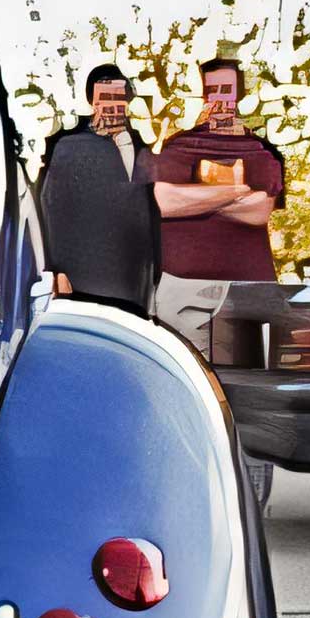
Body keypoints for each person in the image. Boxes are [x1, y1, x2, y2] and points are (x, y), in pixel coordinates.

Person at [153, 56, 284, 506]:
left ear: (240, 94)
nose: (220, 100)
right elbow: (165, 201)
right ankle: (182, 496)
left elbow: (260, 211)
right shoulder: (178, 148)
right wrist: (233, 191)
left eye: (227, 91)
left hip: (240, 293)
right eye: (212, 91)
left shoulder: (262, 153)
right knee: (180, 388)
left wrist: (202, 199)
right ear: (203, 94)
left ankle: (247, 502)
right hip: (182, 287)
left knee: (241, 398)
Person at [37, 63, 157, 316]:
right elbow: (51, 208)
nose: (112, 104)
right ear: (92, 101)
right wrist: (55, 268)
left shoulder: (143, 145)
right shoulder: (66, 145)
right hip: (82, 274)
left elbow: (150, 210)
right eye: (105, 97)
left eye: (118, 96)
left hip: (132, 277)